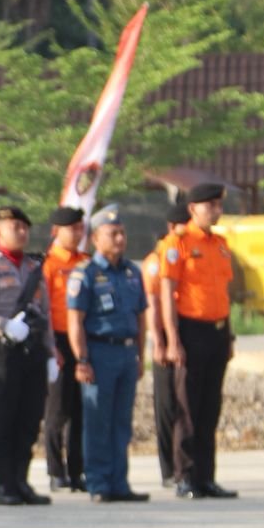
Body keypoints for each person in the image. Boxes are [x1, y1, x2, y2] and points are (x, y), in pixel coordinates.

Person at [0, 205, 58, 505]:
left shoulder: (33, 268)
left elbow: (46, 313)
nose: (20, 231)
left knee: (29, 418)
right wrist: (3, 325)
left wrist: (52, 353)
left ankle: (21, 481)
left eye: (24, 227)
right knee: (2, 419)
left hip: (32, 351)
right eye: (13, 226)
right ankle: (3, 485)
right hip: (2, 352)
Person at [159, 182, 238, 499]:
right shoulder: (176, 244)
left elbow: (223, 293)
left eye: (219, 206)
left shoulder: (220, 244)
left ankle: (206, 476)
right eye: (211, 206)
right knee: (188, 408)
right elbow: (167, 294)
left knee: (210, 407)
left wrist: (229, 333)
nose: (216, 211)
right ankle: (186, 475)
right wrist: (173, 339)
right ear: (193, 209)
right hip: (191, 330)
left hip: (217, 331)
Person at [66, 204, 149, 503]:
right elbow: (75, 320)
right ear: (95, 238)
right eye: (112, 233)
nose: (119, 239)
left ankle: (120, 483)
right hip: (99, 352)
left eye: (122, 233)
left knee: (121, 422)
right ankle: (99, 483)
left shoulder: (131, 272)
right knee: (98, 421)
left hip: (126, 354)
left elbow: (141, 318)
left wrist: (141, 355)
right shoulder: (86, 273)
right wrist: (82, 359)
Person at [42, 205, 91, 492]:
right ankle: (55, 470)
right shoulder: (47, 264)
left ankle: (77, 471)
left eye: (80, 228)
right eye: (71, 229)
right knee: (57, 410)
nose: (77, 233)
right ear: (56, 232)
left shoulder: (86, 262)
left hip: (82, 340)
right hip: (58, 339)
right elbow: (44, 309)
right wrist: (50, 346)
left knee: (79, 410)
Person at [142, 202, 189, 488]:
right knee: (166, 406)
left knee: (184, 404)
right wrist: (158, 342)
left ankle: (182, 464)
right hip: (163, 338)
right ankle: (167, 468)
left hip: (184, 336)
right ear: (173, 227)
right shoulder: (155, 260)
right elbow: (153, 305)